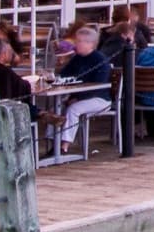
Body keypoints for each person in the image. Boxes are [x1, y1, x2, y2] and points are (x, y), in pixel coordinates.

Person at [50, 25, 121, 155]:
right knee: (54, 110)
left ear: (90, 44)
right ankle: (52, 142)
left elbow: (98, 85)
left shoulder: (100, 60)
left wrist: (77, 98)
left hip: (100, 99)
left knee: (73, 110)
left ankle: (64, 146)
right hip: (78, 97)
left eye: (79, 41)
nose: (76, 44)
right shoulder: (77, 58)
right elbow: (64, 76)